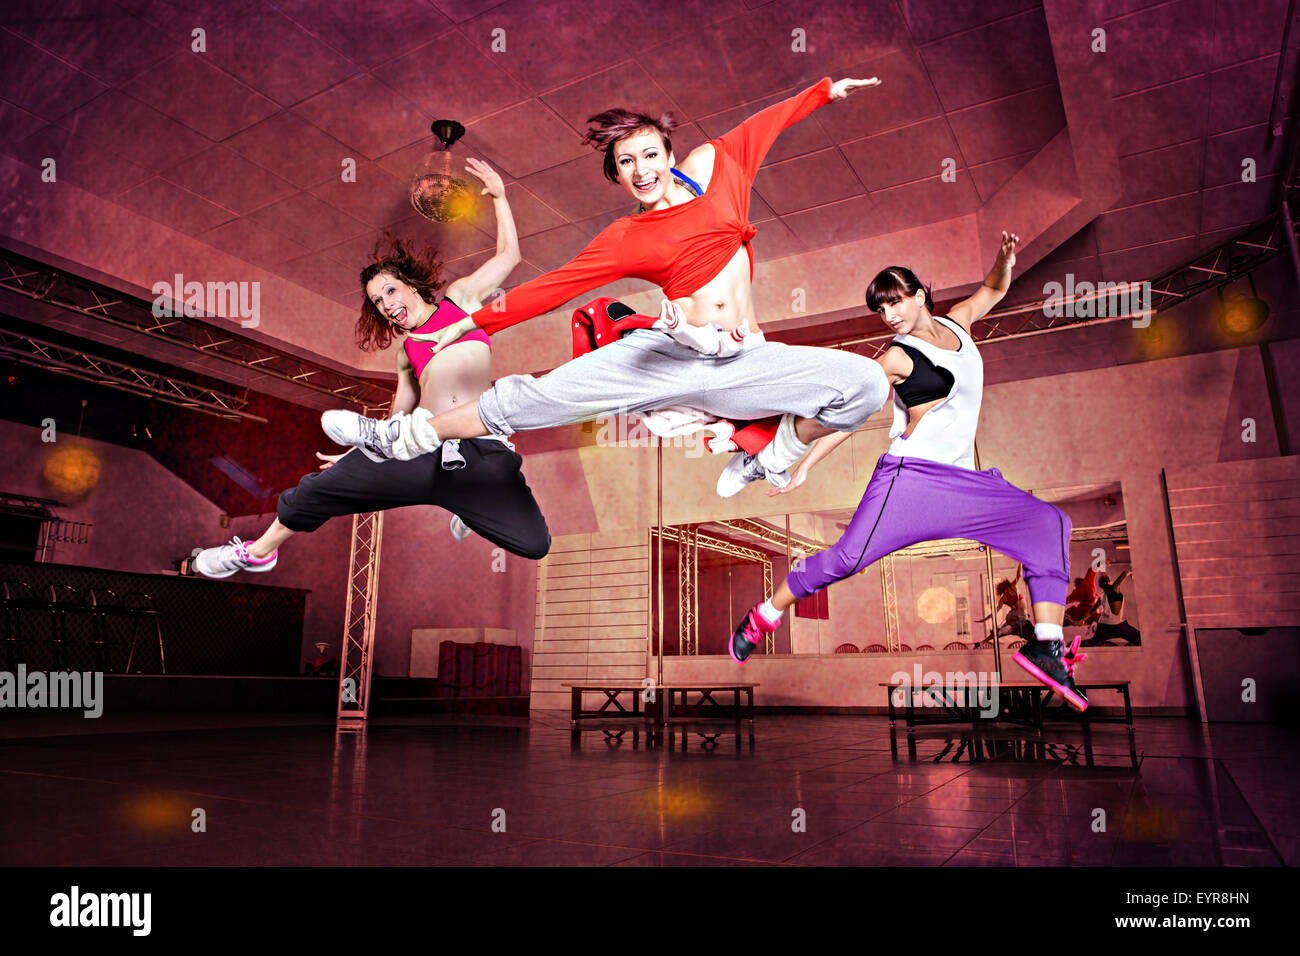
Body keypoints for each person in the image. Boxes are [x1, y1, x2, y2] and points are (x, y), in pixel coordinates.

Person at [319, 77, 892, 498]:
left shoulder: (718, 169)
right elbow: (554, 287)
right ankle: (403, 438)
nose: (641, 170)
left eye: (649, 155)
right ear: (615, 174)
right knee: (538, 397)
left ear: (669, 154)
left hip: (742, 359)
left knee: (865, 384)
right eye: (626, 163)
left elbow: (764, 126)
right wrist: (468, 323)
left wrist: (824, 92)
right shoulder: (626, 235)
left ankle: (772, 454)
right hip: (669, 355)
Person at [728, 235, 1089, 712]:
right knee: (845, 560)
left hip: (965, 484)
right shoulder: (896, 357)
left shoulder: (955, 325)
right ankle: (764, 615)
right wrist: (804, 464)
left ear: (920, 296)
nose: (890, 315)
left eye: (895, 302)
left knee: (1050, 524)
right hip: (911, 481)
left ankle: (1046, 646)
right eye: (881, 310)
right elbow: (851, 413)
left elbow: (993, 291)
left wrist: (1004, 261)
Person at [192, 159, 550, 578]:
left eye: (390, 290)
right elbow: (397, 419)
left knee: (534, 543)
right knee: (316, 489)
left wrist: (501, 198)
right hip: (423, 447)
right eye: (378, 302)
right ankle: (258, 553)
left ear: (412, 286)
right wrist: (358, 452)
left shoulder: (459, 301)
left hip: (482, 448)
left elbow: (511, 255)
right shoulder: (406, 351)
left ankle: (469, 509)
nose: (388, 304)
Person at [1082, 569, 1140, 645]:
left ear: (1101, 586)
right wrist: (1132, 572)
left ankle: (1079, 644)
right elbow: (1125, 572)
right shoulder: (1114, 588)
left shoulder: (1101, 597)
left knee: (1093, 642)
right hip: (1116, 625)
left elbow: (1092, 611)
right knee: (1138, 636)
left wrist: (1082, 620)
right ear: (1108, 582)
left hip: (1103, 626)